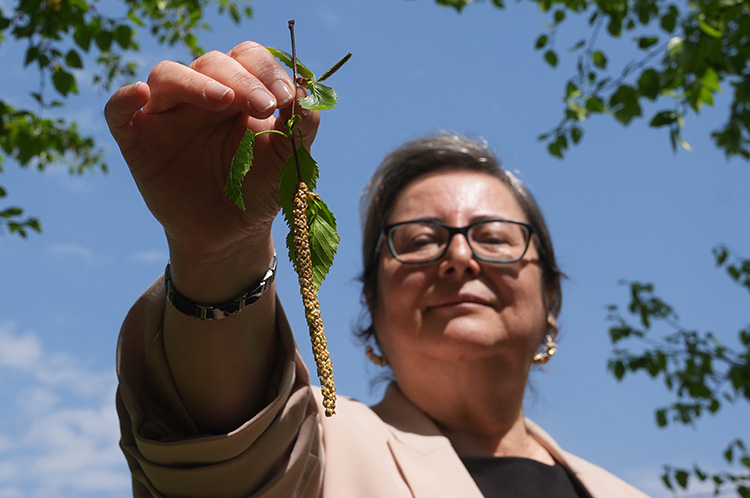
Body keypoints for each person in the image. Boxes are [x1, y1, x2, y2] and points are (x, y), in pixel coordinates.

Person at [106, 41, 651, 497]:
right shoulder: (312, 453)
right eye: (419, 241)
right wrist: (219, 254)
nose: (460, 258)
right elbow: (222, 460)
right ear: (373, 305)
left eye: (494, 237)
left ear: (551, 298)